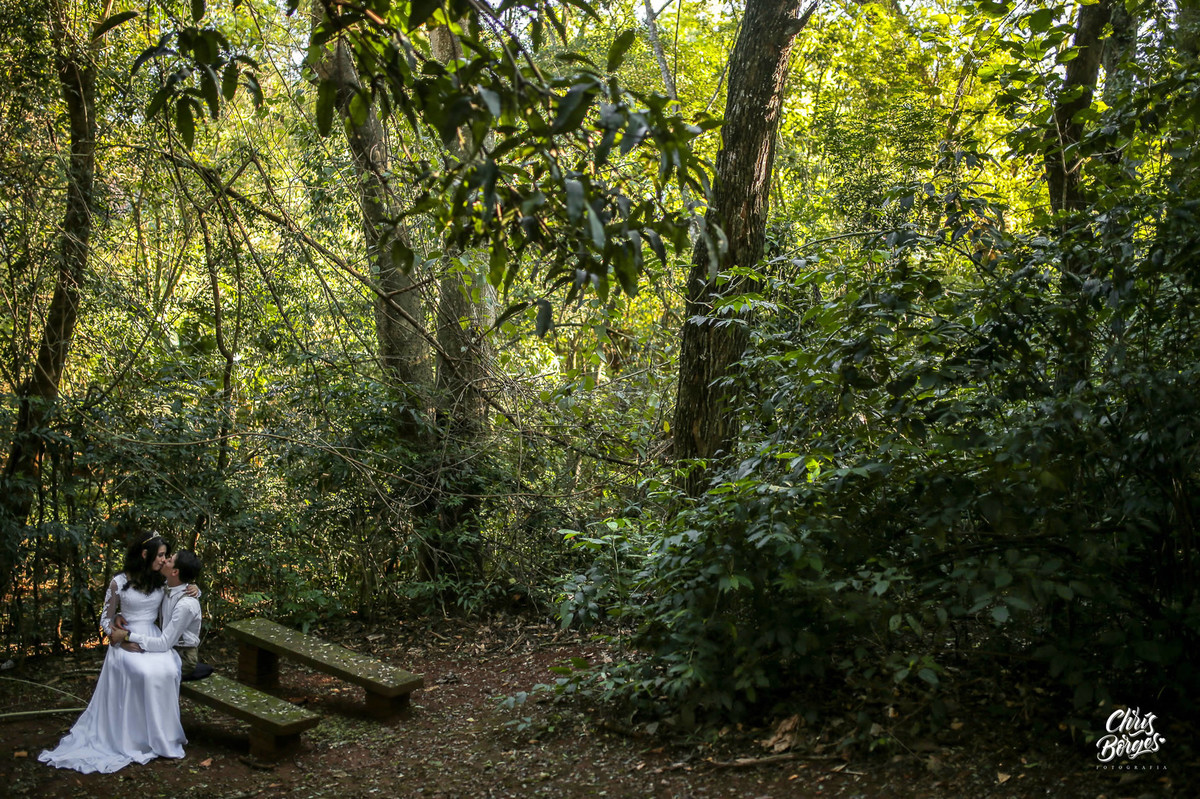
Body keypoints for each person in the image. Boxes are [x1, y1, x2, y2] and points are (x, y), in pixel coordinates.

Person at [38, 533, 187, 773]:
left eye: (165, 556)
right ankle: (134, 737)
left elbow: (181, 587)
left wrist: (194, 589)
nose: (164, 560)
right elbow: (105, 620)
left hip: (152, 638)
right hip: (125, 640)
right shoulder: (118, 582)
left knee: (168, 670)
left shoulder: (160, 579)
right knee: (143, 672)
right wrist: (118, 639)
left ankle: (163, 737)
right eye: (160, 555)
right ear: (144, 554)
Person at [112, 551, 209, 680]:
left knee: (145, 673)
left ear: (175, 572)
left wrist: (128, 636)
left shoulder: (186, 604)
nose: (164, 560)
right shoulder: (166, 587)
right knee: (127, 662)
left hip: (182, 656)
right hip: (164, 646)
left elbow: (164, 644)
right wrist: (120, 615)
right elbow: (144, 605)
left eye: (169, 560)